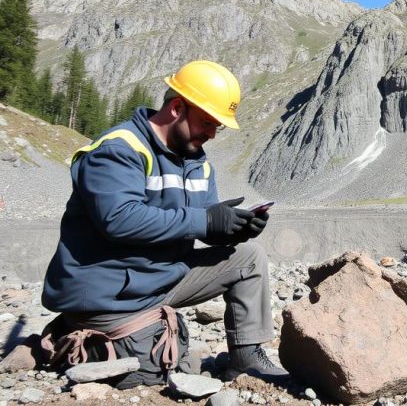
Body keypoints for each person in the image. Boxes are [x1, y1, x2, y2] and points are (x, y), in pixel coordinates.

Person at [41, 60, 287, 387]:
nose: (212, 134)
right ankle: (69, 337)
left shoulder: (198, 163)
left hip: (159, 277)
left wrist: (234, 229)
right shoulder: (119, 149)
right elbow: (118, 219)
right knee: (157, 370)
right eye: (207, 122)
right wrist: (205, 220)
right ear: (176, 108)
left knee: (248, 258)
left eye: (219, 126)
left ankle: (245, 359)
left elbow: (197, 226)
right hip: (111, 288)